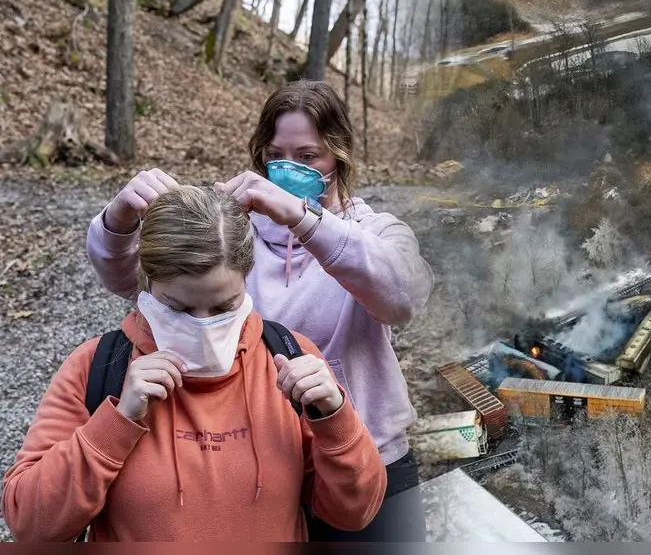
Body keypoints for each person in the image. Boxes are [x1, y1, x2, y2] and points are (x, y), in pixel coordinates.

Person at [84, 80, 434, 541]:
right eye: (276, 155)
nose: (290, 168)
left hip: (368, 454)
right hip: (266, 467)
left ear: (339, 156)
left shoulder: (375, 232)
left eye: (308, 157)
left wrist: (303, 219)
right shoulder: (238, 236)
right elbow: (138, 281)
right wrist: (118, 218)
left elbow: (403, 296)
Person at [3, 186, 387, 542]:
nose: (204, 324)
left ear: (246, 282)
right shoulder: (99, 367)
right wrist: (118, 421)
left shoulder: (288, 355)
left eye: (224, 306)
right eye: (179, 308)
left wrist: (335, 416)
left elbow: (355, 512)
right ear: (147, 284)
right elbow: (31, 524)